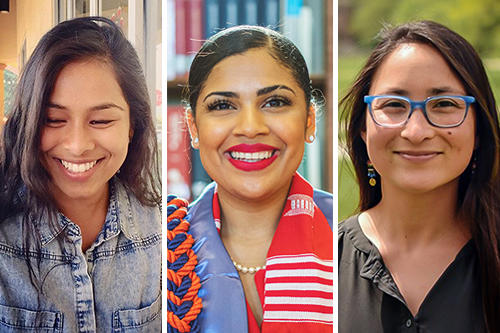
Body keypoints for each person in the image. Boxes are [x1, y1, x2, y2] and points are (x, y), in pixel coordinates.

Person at [167, 25, 333, 333]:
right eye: (223, 105)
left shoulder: (348, 243)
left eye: (274, 102)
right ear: (193, 127)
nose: (250, 127)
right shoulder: (166, 248)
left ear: (309, 120)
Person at [0, 17, 161, 332]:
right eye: (53, 119)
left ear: (132, 125)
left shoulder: (166, 236)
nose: (77, 145)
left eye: (100, 121)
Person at [339, 20, 500, 332]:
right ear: (362, 128)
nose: (416, 131)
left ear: (478, 129)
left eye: (443, 104)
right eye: (394, 105)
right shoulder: (326, 264)